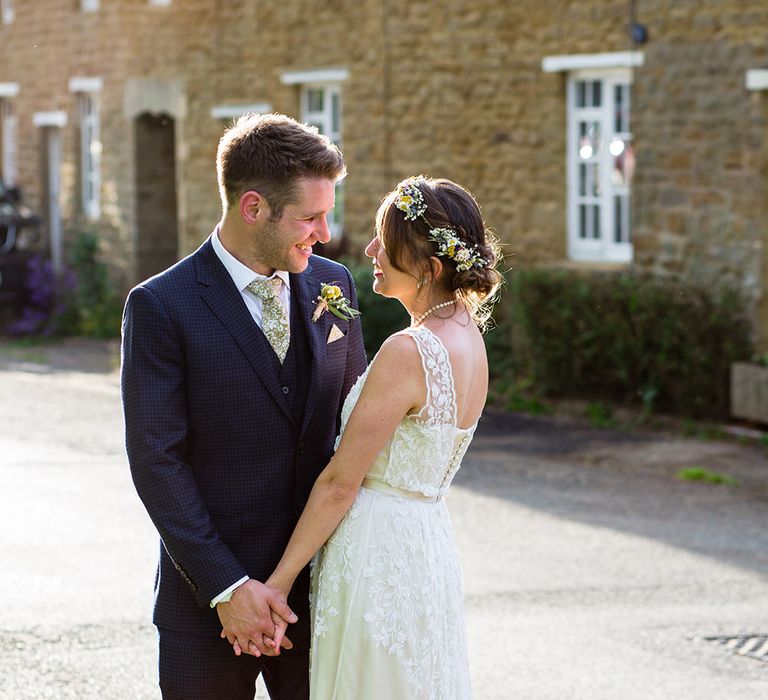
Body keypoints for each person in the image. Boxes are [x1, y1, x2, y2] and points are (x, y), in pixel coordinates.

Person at [121, 112, 367, 699]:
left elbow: (353, 427)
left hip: (321, 594)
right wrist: (229, 588)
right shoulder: (162, 305)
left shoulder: (334, 286)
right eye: (310, 217)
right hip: (206, 606)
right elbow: (156, 459)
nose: (325, 233)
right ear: (253, 207)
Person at [231, 175, 503, 698]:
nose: (372, 249)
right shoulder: (469, 336)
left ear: (430, 265)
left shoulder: (410, 349)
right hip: (425, 540)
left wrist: (279, 583)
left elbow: (339, 482)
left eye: (386, 239)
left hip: (378, 553)